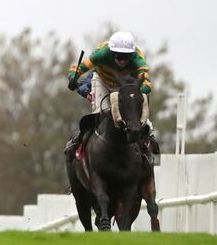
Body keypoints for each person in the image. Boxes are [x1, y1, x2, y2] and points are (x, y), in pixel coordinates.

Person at [65, 31, 158, 162]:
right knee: (99, 113)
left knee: (135, 109)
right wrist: (72, 77)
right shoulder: (101, 54)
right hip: (102, 80)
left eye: (126, 57)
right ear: (111, 52)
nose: (122, 61)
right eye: (119, 56)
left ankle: (148, 140)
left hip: (126, 84)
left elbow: (147, 85)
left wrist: (132, 93)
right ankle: (77, 142)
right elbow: (77, 68)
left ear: (132, 55)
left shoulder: (138, 60)